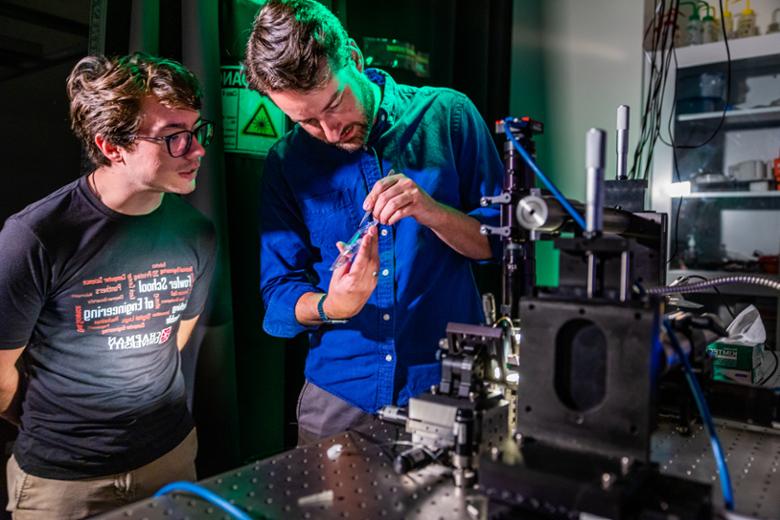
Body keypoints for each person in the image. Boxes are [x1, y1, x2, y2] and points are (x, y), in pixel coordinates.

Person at [246, 0, 504, 445]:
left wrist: (432, 212)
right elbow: (278, 296)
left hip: (445, 389)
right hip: (339, 399)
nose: (330, 132)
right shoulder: (286, 162)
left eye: (335, 104)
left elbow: (499, 245)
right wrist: (333, 305)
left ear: (355, 59)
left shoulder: (448, 116)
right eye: (306, 121)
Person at [0, 53, 217, 519]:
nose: (196, 150)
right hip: (62, 482)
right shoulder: (35, 237)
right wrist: (55, 418)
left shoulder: (196, 232)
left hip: (169, 458)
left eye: (197, 132)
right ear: (111, 146)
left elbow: (175, 337)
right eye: (173, 138)